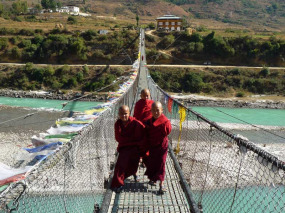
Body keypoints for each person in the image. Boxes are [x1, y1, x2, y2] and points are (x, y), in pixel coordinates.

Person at [111, 105, 145, 192]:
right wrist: (129, 141)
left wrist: (142, 155)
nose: (124, 116)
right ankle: (118, 183)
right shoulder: (117, 124)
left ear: (129, 113)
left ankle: (123, 178)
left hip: (135, 147)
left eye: (125, 114)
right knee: (120, 166)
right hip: (124, 148)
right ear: (118, 114)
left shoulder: (135, 123)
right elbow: (118, 138)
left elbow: (143, 133)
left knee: (133, 167)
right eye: (121, 114)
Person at [145, 101, 172, 194]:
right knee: (152, 162)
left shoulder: (165, 122)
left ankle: (161, 184)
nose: (156, 112)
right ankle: (153, 179)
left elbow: (168, 131)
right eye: (153, 110)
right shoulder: (149, 121)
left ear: (162, 110)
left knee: (161, 163)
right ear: (150, 111)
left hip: (162, 147)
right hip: (152, 146)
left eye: (157, 110)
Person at [133, 89, 154, 168]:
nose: (146, 97)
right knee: (140, 143)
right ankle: (140, 158)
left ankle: (145, 160)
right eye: (144, 95)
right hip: (140, 126)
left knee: (148, 144)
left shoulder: (152, 103)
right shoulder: (138, 104)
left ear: (150, 95)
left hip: (149, 127)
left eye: (147, 95)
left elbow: (155, 115)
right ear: (140, 96)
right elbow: (136, 115)